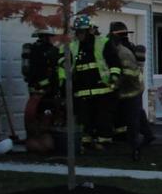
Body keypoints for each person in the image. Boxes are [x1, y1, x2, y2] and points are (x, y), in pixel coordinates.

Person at [60, 15, 116, 152]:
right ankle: (86, 142)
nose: (79, 34)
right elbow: (64, 64)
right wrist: (64, 85)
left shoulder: (103, 42)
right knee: (84, 118)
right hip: (82, 88)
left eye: (82, 31)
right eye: (77, 31)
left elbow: (114, 62)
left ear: (90, 30)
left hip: (102, 88)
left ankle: (104, 143)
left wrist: (114, 76)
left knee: (103, 117)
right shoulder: (72, 46)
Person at [107, 21, 147, 160]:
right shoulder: (127, 47)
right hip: (129, 90)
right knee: (134, 116)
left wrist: (115, 83)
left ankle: (136, 146)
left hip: (132, 90)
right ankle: (144, 138)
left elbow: (129, 73)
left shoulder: (123, 51)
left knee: (132, 120)